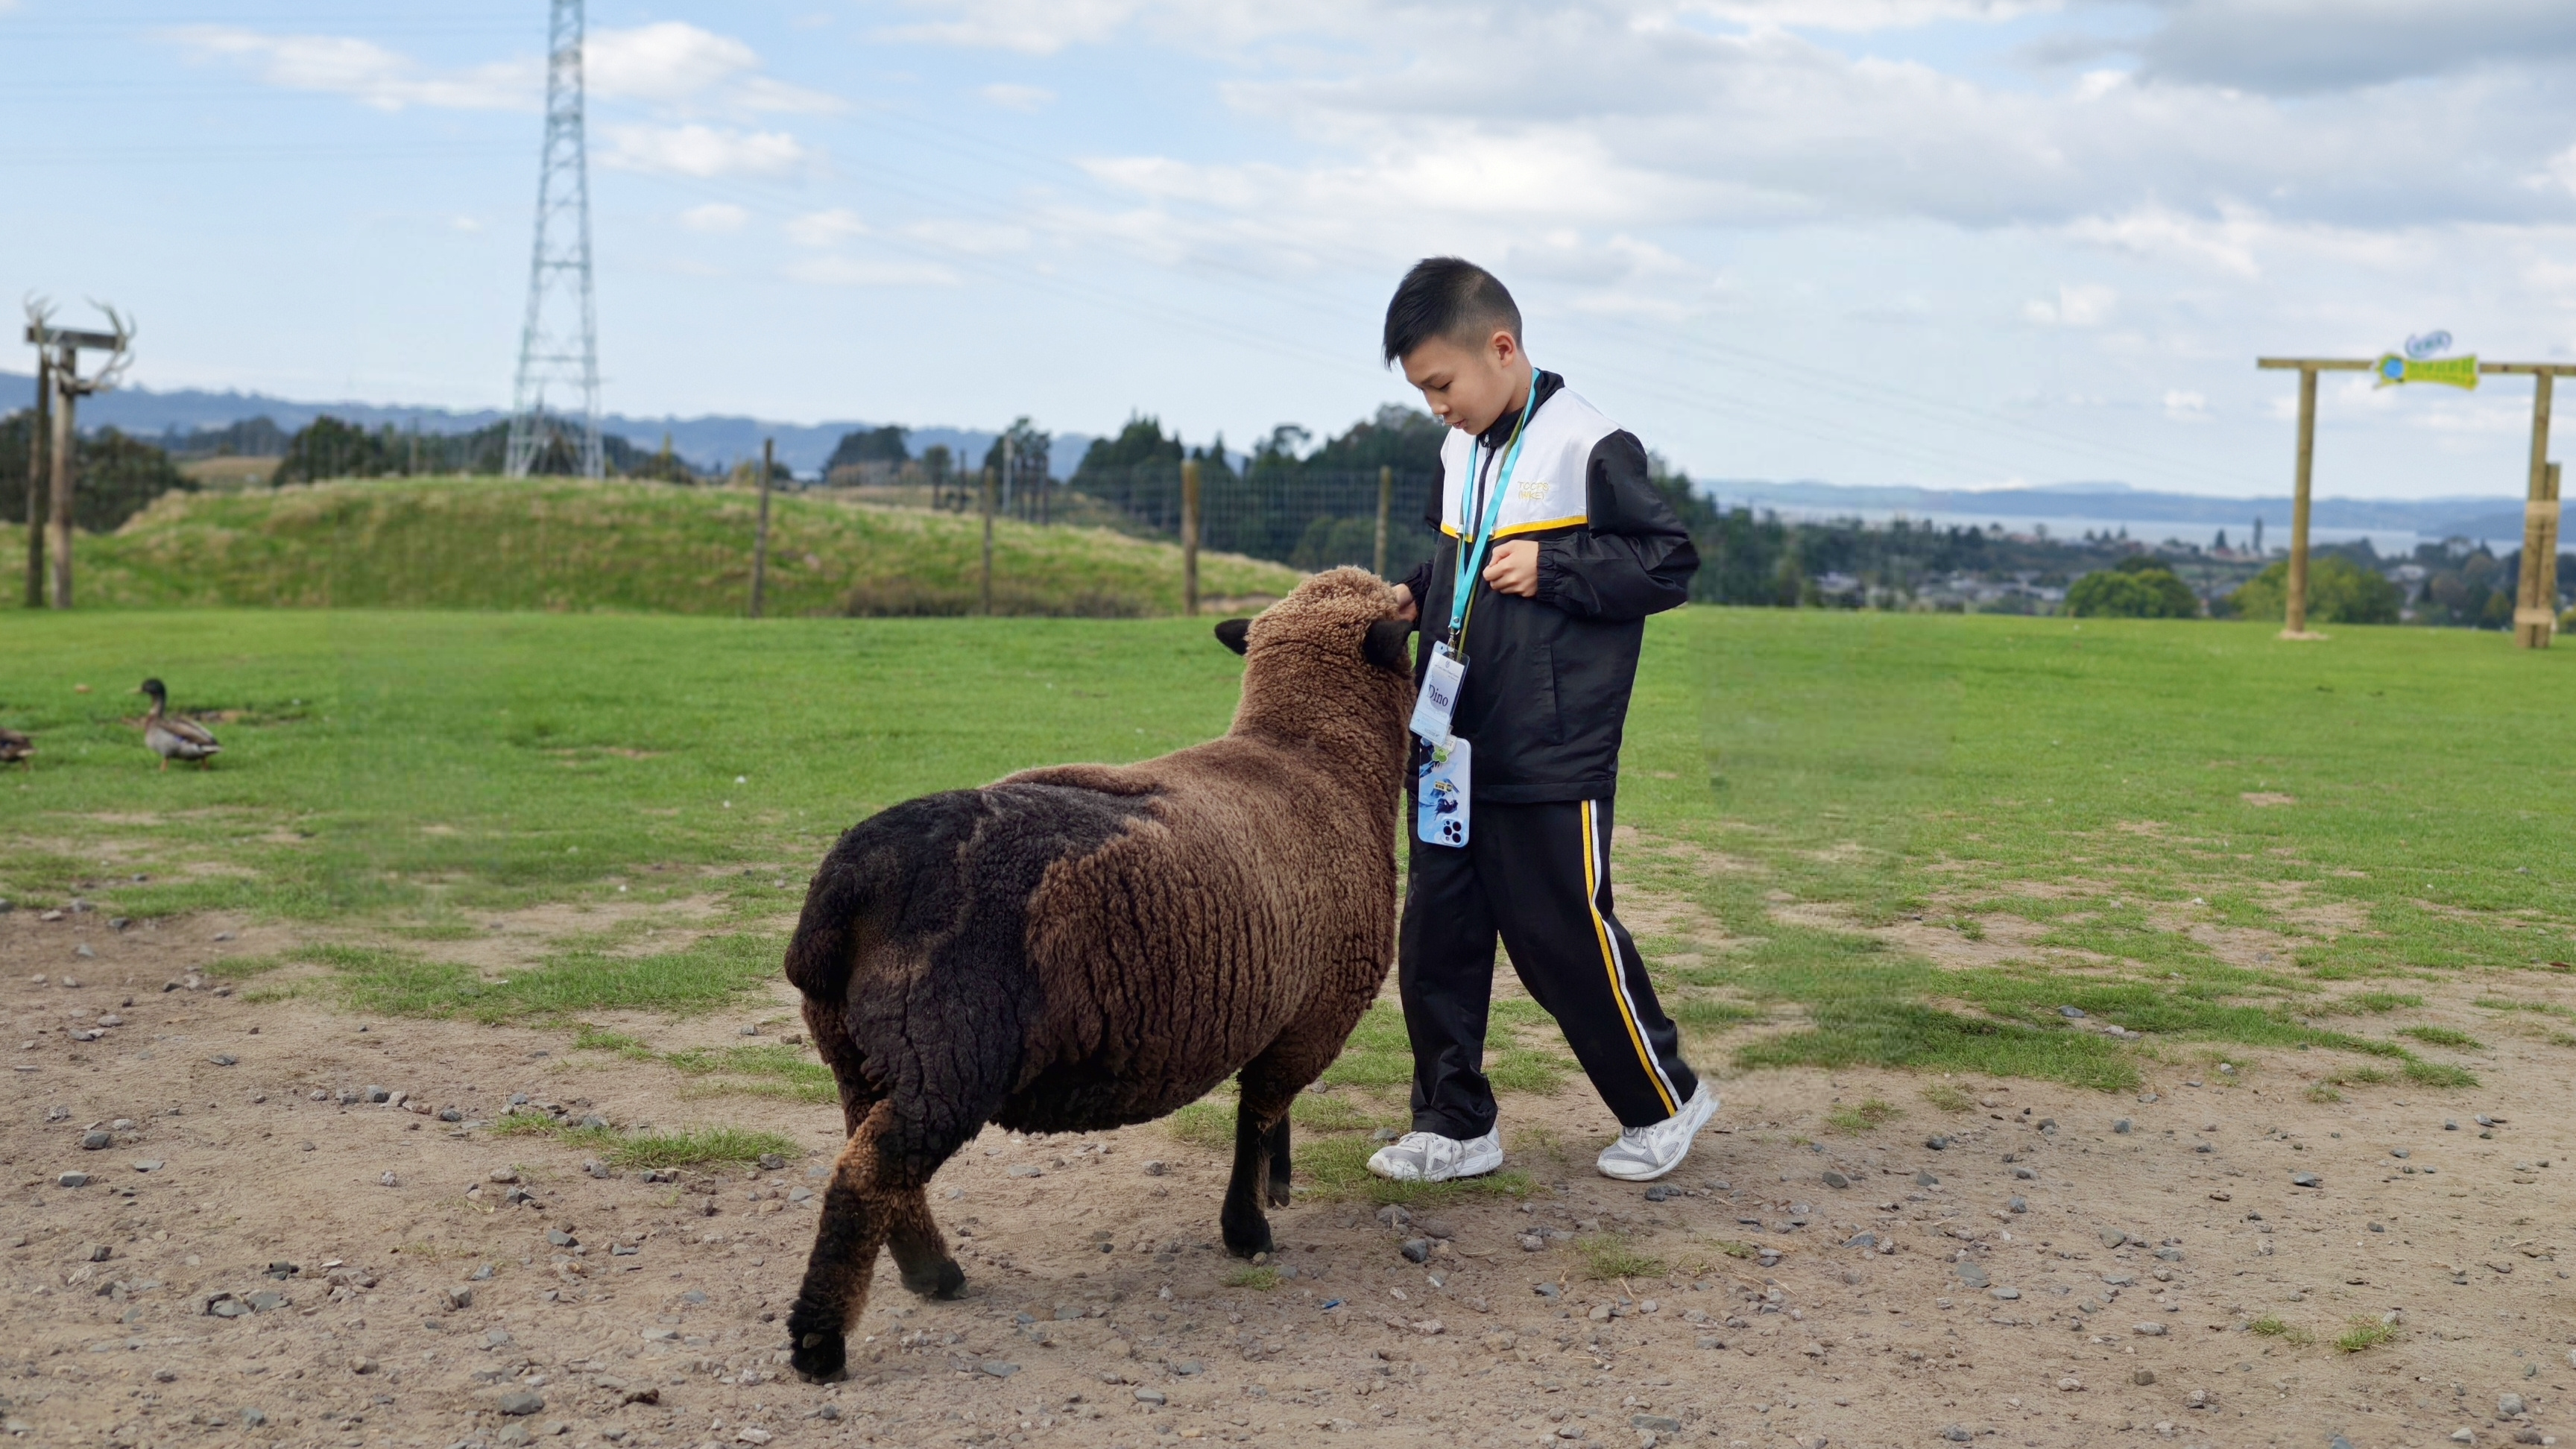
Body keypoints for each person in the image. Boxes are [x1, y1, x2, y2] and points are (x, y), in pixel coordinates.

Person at [1368, 257, 1714, 1185]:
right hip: (1451, 740)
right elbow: (1463, 558)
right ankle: (1453, 1123)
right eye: (1422, 391)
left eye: (1442, 383)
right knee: (1437, 936)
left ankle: (1666, 1102)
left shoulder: (1588, 445)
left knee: (1564, 937)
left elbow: (1669, 562)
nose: (1436, 406)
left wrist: (1556, 570)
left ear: (1501, 348)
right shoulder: (1461, 447)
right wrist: (1417, 592)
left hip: (1551, 747)